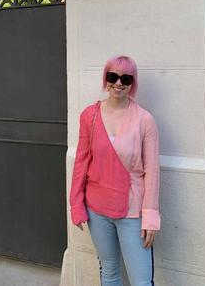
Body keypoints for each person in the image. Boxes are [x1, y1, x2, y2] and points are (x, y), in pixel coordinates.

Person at [70, 55, 160, 286]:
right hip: (97, 210)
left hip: (132, 212)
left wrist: (150, 217)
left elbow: (151, 171)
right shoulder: (89, 116)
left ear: (132, 82)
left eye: (125, 78)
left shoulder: (144, 120)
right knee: (109, 272)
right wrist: (76, 204)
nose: (118, 83)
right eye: (113, 76)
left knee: (141, 281)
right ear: (106, 78)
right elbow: (81, 161)